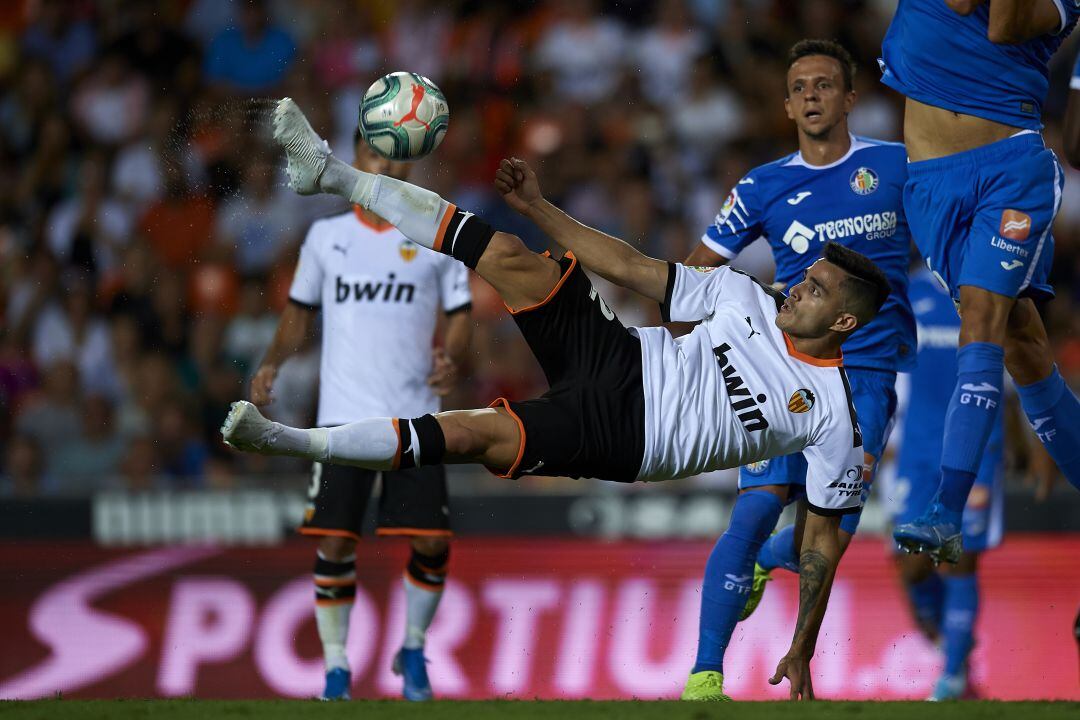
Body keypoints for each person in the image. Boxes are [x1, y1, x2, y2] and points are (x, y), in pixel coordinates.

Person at [224, 98, 892, 699]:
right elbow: (631, 266)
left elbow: (821, 545)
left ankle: (290, 441)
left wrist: (802, 645)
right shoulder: (745, 292)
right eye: (808, 277)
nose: (800, 287)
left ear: (843, 324)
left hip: (627, 436)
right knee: (510, 253)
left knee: (472, 434)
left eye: (819, 290)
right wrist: (541, 209)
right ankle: (333, 175)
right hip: (622, 355)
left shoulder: (834, 414)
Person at [680, 39, 915, 700]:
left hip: (867, 379)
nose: (812, 95)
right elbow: (698, 267)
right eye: (800, 87)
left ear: (849, 97)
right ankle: (704, 674)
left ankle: (786, 623)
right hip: (785, 375)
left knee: (825, 528)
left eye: (823, 84)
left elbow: (944, 232)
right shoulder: (762, 186)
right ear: (786, 106)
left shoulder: (896, 166)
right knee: (754, 511)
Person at [249, 128, 473, 701]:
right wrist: (273, 361)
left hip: (416, 419)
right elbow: (299, 313)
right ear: (358, 159)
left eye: (399, 158)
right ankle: (336, 669)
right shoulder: (326, 238)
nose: (387, 168)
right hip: (342, 420)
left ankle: (415, 649)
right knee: (335, 544)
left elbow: (461, 314)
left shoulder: (437, 233)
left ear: (412, 165)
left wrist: (454, 356)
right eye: (377, 154)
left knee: (429, 541)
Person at [879, 0, 1080, 563]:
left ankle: (947, 508)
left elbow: (1000, 22)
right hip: (929, 184)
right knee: (1024, 347)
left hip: (1008, 169)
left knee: (982, 321)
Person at [890, 265, 1004, 701]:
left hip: (977, 445)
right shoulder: (909, 289)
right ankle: (952, 646)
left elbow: (1010, 373)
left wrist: (1026, 447)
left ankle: (954, 674)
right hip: (917, 450)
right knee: (910, 562)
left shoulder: (990, 286)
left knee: (961, 558)